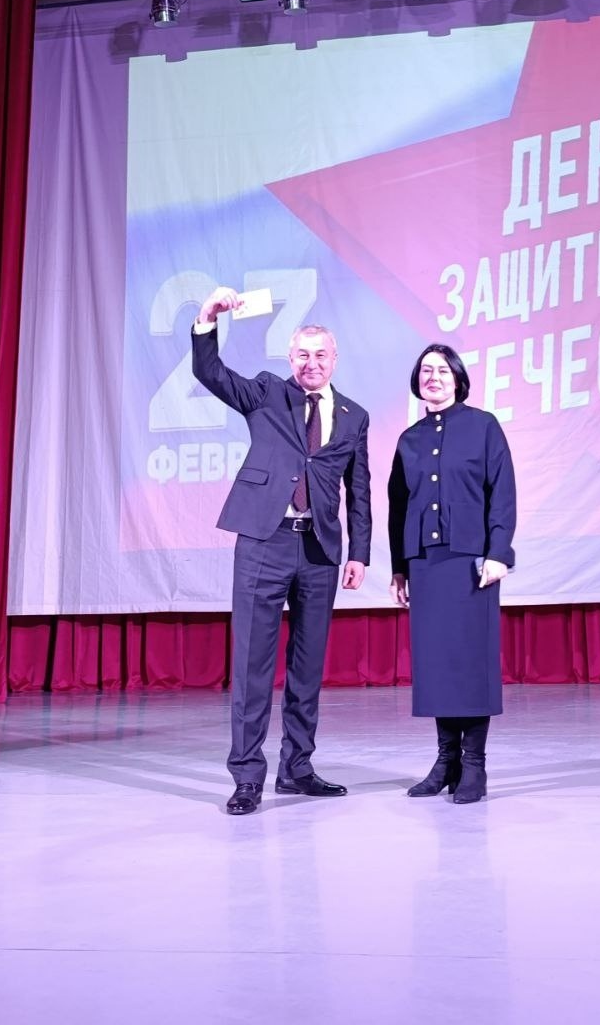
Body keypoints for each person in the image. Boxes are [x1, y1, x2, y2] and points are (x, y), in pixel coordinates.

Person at [192, 286, 371, 815]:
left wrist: (358, 553)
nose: (312, 363)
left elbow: (359, 490)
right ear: (290, 358)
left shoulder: (355, 416)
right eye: (302, 354)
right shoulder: (268, 393)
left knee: (307, 666)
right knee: (252, 665)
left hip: (319, 551)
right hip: (263, 543)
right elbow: (211, 373)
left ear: (335, 359)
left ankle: (297, 768)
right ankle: (247, 776)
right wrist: (207, 317)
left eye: (321, 355)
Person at [388, 344, 516, 804]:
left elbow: (502, 493)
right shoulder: (409, 439)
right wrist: (400, 568)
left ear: (458, 378)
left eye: (442, 370)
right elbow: (398, 507)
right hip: (426, 563)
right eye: (426, 370)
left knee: (470, 662)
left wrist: (498, 552)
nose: (434, 377)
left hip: (471, 563)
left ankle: (474, 764)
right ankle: (446, 761)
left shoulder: (483, 426)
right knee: (438, 663)